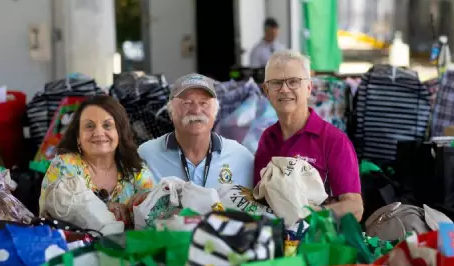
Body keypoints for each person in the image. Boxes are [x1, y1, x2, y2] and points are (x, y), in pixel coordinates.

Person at [254, 50, 364, 221]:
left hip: (316, 242)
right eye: (276, 83)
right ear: (266, 90)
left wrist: (307, 215)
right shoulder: (267, 138)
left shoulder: (334, 140)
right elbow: (259, 197)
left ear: (309, 88)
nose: (284, 89)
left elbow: (355, 208)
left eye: (293, 82)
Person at [39, 95, 154, 224]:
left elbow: (157, 213)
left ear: (119, 133)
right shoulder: (64, 166)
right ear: (78, 136)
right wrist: (103, 210)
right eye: (89, 126)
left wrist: (137, 207)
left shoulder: (135, 169)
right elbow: (52, 216)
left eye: (107, 125)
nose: (98, 132)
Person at [139, 74, 254, 189]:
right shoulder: (146, 156)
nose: (196, 110)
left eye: (204, 103)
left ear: (215, 112)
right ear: (170, 113)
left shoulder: (241, 157)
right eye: (187, 103)